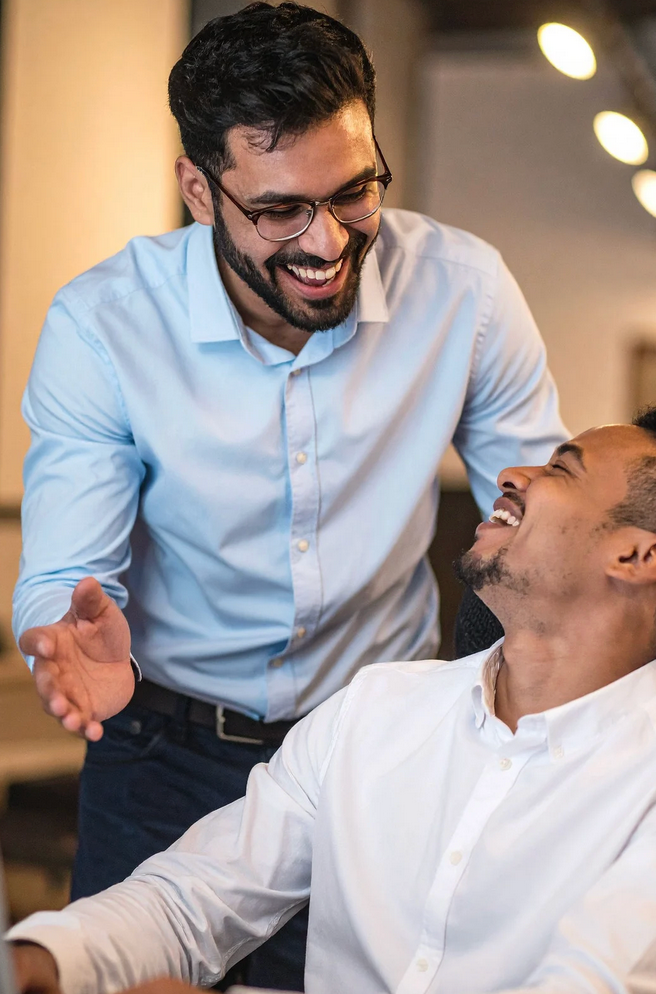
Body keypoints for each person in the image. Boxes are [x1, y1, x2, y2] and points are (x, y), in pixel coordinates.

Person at [12, 3, 566, 988]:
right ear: (198, 188)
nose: (325, 241)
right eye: (279, 211)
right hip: (161, 751)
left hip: (375, 748)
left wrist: (651, 710)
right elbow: (69, 570)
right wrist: (66, 629)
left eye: (352, 193)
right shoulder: (105, 325)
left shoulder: (463, 292)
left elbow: (545, 527)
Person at [9, 402, 656, 994]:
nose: (514, 473)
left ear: (637, 556)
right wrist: (40, 960)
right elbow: (191, 901)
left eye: (562, 467)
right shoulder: (377, 706)